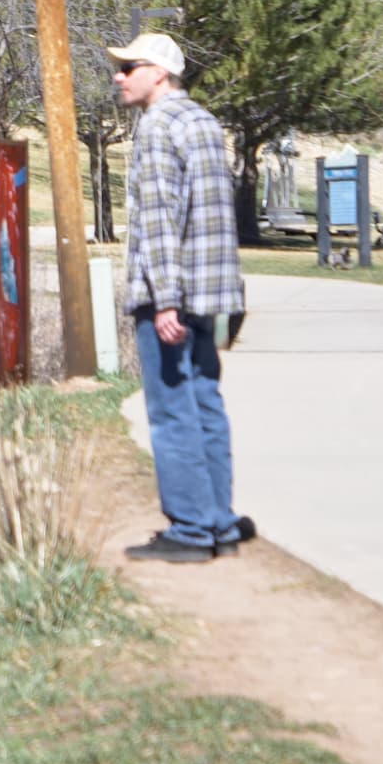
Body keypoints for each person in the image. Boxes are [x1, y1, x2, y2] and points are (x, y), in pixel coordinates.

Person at [110, 32, 255, 563]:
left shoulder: (157, 127)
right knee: (205, 404)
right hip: (210, 294)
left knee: (172, 411)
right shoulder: (204, 123)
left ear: (160, 73)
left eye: (131, 67)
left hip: (169, 296)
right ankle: (219, 521)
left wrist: (164, 300)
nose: (120, 77)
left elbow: (161, 223)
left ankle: (192, 530)